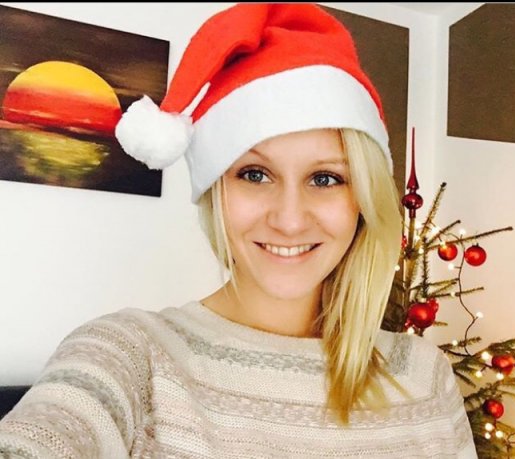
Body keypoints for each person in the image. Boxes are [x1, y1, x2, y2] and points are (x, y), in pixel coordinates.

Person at [0, 4, 477, 458]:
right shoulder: (131, 356)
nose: (289, 219)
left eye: (325, 179)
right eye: (255, 174)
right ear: (215, 191)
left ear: (363, 201)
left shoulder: (423, 375)